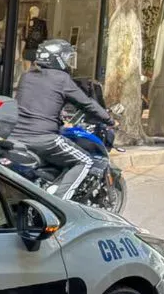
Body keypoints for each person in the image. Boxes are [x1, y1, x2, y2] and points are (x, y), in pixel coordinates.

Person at [10, 38, 112, 201]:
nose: (68, 62)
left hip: (15, 136)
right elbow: (87, 104)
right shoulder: (61, 79)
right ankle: (59, 205)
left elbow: (39, 101)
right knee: (85, 161)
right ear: (57, 58)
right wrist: (109, 119)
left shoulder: (27, 76)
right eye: (66, 57)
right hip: (44, 139)